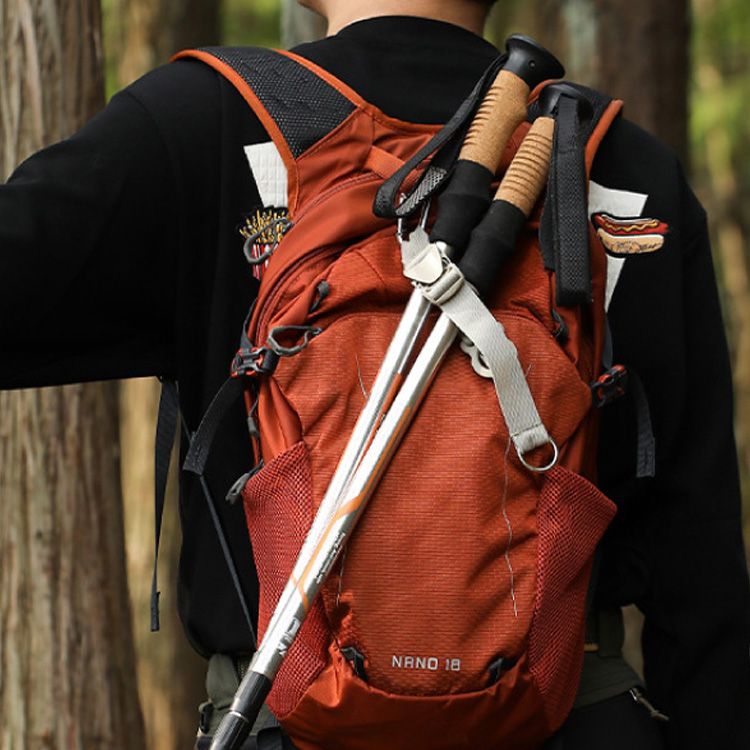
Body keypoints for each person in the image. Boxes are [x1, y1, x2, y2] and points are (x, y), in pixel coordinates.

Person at [1, 0, 749, 748]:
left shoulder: (199, 123)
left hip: (287, 721)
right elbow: (701, 564)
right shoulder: (620, 166)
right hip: (572, 722)